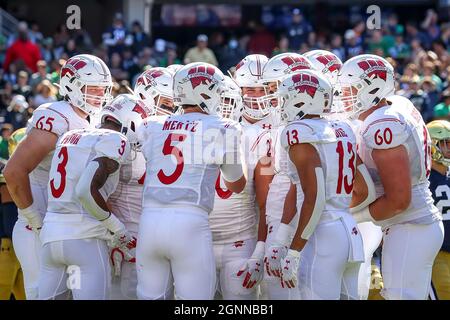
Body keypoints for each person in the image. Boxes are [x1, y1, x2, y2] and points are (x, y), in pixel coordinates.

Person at [4, 54, 113, 300]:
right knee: (39, 293)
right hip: (39, 226)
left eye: (102, 89)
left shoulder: (92, 119)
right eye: (92, 88)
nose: (99, 95)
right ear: (72, 86)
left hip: (70, 228)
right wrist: (35, 219)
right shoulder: (56, 115)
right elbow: (13, 172)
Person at [136, 62, 246, 300]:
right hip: (189, 223)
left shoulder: (152, 125)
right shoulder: (223, 127)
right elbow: (236, 183)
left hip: (149, 221)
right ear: (211, 93)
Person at [339, 54, 444, 300]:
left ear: (372, 88)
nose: (345, 96)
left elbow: (398, 200)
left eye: (351, 89)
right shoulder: (395, 105)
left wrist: (353, 216)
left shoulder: (382, 124)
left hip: (410, 224)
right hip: (415, 224)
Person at [38, 94, 144, 300]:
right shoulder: (116, 140)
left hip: (51, 238)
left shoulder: (70, 136)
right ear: (131, 122)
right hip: (85, 240)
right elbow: (85, 190)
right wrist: (118, 229)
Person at [273, 69, 365, 299]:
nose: (282, 105)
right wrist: (340, 209)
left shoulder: (298, 132)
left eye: (285, 99)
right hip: (349, 229)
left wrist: (294, 251)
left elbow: (316, 197)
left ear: (301, 99)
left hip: (321, 234)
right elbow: (365, 190)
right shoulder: (344, 129)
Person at [260, 52, 313, 300]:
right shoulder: (284, 119)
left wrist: (281, 235)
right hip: (285, 212)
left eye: (274, 86)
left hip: (293, 216)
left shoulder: (300, 127)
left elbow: (300, 185)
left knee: (287, 288)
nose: (271, 94)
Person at [426, 120, 450, 300]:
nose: (449, 149)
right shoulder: (423, 179)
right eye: (445, 144)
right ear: (432, 146)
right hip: (436, 250)